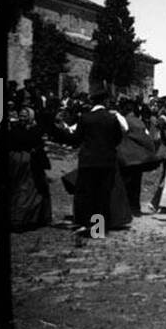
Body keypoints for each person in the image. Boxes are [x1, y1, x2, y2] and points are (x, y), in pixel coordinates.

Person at [53, 91, 131, 236]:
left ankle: (87, 224)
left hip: (88, 161)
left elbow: (75, 139)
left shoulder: (85, 118)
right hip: (107, 161)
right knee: (103, 195)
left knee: (89, 194)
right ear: (106, 102)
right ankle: (99, 229)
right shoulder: (112, 118)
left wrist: (62, 129)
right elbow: (117, 139)